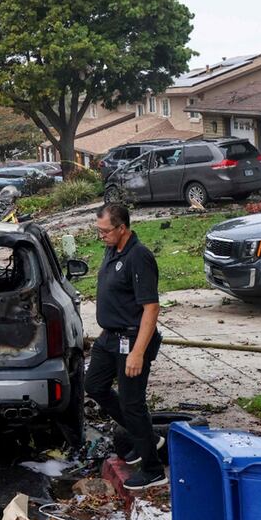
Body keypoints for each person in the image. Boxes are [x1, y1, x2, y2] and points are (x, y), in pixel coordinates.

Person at [86, 204, 166, 490]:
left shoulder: (139, 256)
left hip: (132, 339)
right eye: (99, 231)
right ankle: (144, 434)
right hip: (109, 337)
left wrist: (138, 352)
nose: (101, 236)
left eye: (105, 231)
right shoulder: (112, 250)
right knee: (94, 385)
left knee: (133, 404)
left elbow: (151, 308)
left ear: (122, 228)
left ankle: (153, 468)